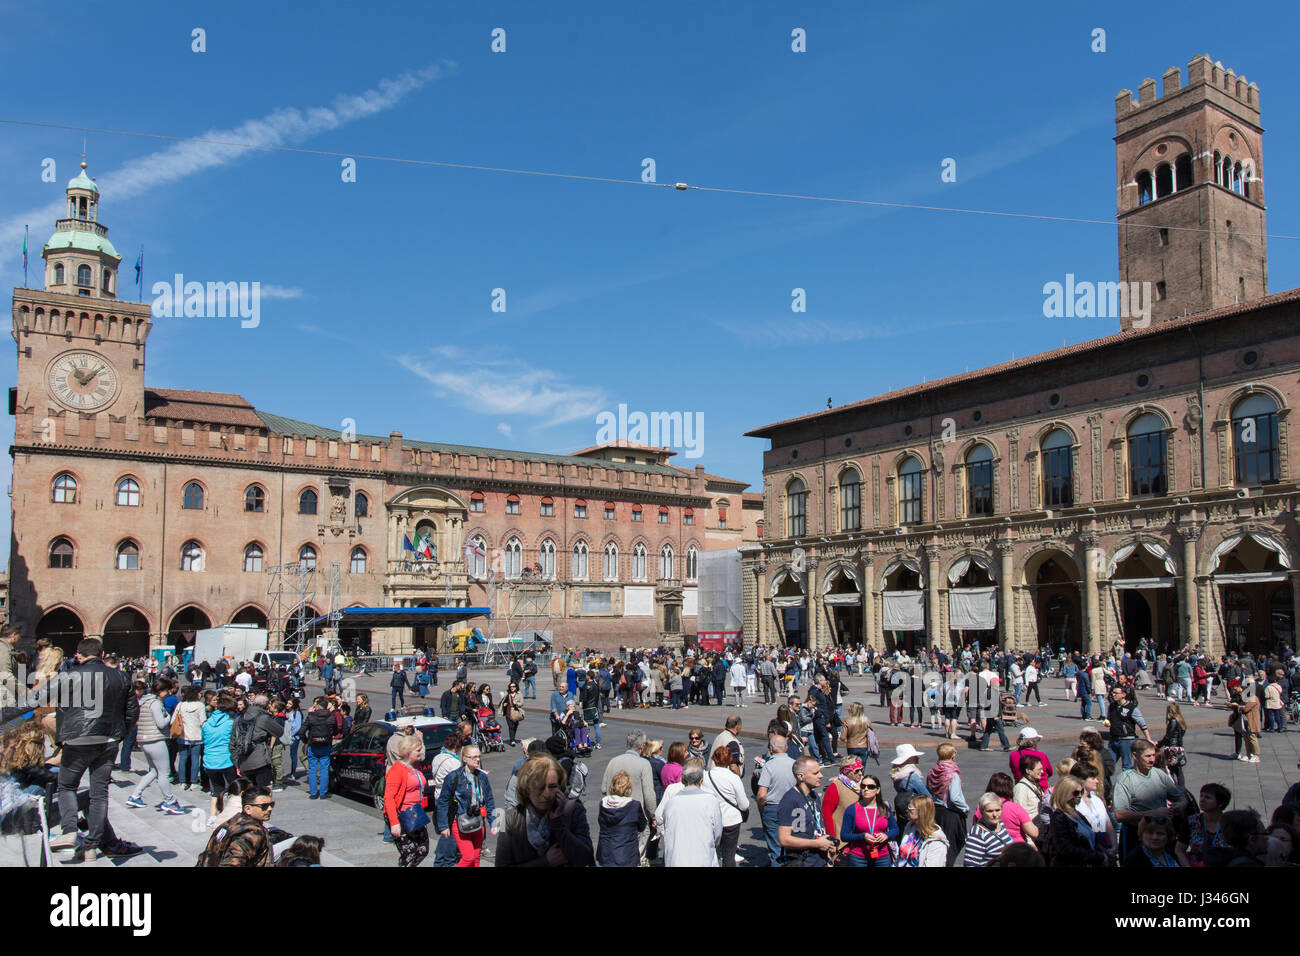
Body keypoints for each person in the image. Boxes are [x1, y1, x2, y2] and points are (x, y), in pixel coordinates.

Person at [44, 638, 139, 860]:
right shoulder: (120, 676)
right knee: (99, 793)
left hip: (76, 740)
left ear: (78, 655)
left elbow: (34, 700)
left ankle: (69, 831)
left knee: (67, 785)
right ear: (102, 653)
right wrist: (120, 734)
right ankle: (91, 847)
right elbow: (132, 711)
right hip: (107, 741)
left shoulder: (68, 676)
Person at [496, 754, 595, 867]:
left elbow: (586, 857)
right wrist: (545, 862)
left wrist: (559, 825)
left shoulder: (573, 810)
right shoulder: (511, 819)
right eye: (540, 787)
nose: (546, 794)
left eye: (552, 786)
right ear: (527, 788)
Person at [1113, 739, 1188, 858]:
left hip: (1162, 833)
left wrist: (1180, 806)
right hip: (1136, 836)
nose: (1152, 759)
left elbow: (1181, 797)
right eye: (1147, 756)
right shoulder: (1124, 780)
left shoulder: (1159, 774)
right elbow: (1119, 815)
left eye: (1153, 755)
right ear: (1135, 755)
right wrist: (1152, 813)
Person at [124, 680, 186, 814]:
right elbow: (161, 723)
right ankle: (170, 801)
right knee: (164, 772)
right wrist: (169, 717)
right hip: (155, 739)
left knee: (153, 771)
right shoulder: (156, 703)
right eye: (167, 690)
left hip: (144, 739)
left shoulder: (144, 701)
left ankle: (135, 796)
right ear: (162, 690)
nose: (168, 693)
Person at [601, 730, 658, 864]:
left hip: (612, 815)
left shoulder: (613, 762)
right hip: (635, 819)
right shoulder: (643, 764)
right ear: (642, 746)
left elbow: (604, 789)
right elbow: (649, 794)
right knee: (636, 855)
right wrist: (653, 815)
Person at [661, 758, 724, 866]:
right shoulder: (710, 801)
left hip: (677, 859)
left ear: (683, 780)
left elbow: (666, 828)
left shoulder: (672, 803)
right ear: (701, 780)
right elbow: (717, 834)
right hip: (703, 857)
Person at [196, 785, 276, 867]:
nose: (269, 809)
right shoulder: (251, 833)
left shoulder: (231, 823)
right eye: (264, 806)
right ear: (247, 809)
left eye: (271, 804)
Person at [777, 755, 835, 866]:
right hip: (804, 862)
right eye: (815, 773)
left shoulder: (814, 795)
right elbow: (784, 839)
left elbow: (819, 825)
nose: (821, 776)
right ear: (801, 776)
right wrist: (817, 843)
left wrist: (827, 854)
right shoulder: (790, 800)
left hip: (820, 860)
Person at [385, 733, 431, 867]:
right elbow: (389, 797)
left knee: (422, 849)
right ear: (407, 752)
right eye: (417, 750)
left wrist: (420, 739)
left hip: (415, 812)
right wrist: (394, 822)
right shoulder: (397, 769)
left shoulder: (414, 766)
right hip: (402, 815)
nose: (420, 752)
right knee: (409, 853)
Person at [755, 724, 797, 866]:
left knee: (775, 848)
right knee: (791, 845)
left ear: (771, 749)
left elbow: (761, 794)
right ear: (786, 748)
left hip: (773, 808)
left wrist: (762, 809)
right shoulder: (794, 764)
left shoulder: (768, 766)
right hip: (792, 808)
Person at [702, 745, 749, 867]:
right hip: (731, 820)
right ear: (729, 759)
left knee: (712, 854)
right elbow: (744, 804)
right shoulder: (733, 778)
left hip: (711, 820)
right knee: (729, 855)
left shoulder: (706, 776)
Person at [838, 771, 897, 866]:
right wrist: (862, 836)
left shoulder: (884, 807)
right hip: (859, 857)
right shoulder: (852, 809)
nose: (866, 789)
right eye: (863, 786)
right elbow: (844, 836)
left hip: (882, 856)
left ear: (878, 790)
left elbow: (895, 829)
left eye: (870, 787)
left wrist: (886, 835)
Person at [1047, 776, 1108, 866]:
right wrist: (1096, 857)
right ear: (1066, 793)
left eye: (1081, 792)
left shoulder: (1077, 814)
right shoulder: (1059, 818)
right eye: (1076, 793)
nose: (1080, 795)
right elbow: (1066, 849)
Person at [926, 742, 969, 866]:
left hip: (935, 812)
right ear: (953, 756)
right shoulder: (952, 773)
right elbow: (955, 797)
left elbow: (928, 790)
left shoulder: (932, 771)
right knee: (951, 848)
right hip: (950, 814)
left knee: (937, 845)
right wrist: (965, 808)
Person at [233, 693, 285, 788]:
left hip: (243, 760)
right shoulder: (264, 718)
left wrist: (237, 763)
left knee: (250, 791)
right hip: (260, 759)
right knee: (265, 789)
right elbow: (280, 731)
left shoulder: (239, 719)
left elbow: (232, 743)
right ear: (267, 706)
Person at [598, 770, 647, 867]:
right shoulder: (634, 805)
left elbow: (601, 822)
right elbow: (642, 826)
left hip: (606, 852)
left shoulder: (603, 804)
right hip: (627, 853)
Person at [1183, 782, 1231, 865]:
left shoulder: (1230, 824)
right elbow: (1179, 850)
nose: (1202, 800)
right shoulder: (1191, 821)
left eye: (1207, 797)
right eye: (1201, 796)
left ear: (1221, 803)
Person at [1106, 685, 1152, 771]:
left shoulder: (1131, 708)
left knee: (1126, 766)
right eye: (1113, 692)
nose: (1113, 694)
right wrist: (1108, 723)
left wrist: (1148, 739)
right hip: (1113, 739)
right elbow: (1109, 718)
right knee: (1107, 765)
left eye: (1116, 693)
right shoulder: (1112, 706)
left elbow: (1142, 724)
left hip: (1126, 740)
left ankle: (1128, 784)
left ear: (1123, 694)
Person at [299, 697, 337, 799]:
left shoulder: (311, 716)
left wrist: (306, 740)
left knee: (312, 769)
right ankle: (323, 792)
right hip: (326, 744)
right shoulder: (331, 717)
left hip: (313, 744)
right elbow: (337, 730)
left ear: (319, 706)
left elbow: (301, 731)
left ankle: (313, 792)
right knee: (325, 768)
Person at [897, 794, 949, 867]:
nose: (907, 810)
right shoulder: (910, 826)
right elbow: (900, 857)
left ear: (921, 812)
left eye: (910, 809)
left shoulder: (937, 842)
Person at [963, 793, 1014, 867]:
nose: (995, 815)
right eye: (990, 811)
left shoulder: (1000, 824)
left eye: (997, 810)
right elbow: (970, 864)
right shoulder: (977, 834)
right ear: (982, 812)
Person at [889, 743, 928, 820]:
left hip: (902, 809)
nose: (918, 757)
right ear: (909, 759)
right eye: (914, 756)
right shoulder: (913, 776)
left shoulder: (897, 774)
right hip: (914, 811)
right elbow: (927, 796)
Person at [1156, 702, 1188, 787]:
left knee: (1170, 770)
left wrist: (1158, 744)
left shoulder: (1173, 721)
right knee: (1178, 770)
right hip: (1179, 748)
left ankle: (1174, 787)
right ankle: (1182, 788)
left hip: (1171, 749)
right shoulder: (1181, 720)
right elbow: (1181, 733)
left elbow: (1168, 736)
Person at [501, 682, 525, 746]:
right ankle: (512, 740)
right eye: (510, 687)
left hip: (516, 712)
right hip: (508, 712)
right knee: (511, 726)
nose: (512, 688)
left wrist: (516, 704)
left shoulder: (519, 694)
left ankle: (513, 737)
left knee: (515, 726)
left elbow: (522, 703)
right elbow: (504, 702)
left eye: (513, 686)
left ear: (516, 687)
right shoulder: (507, 694)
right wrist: (504, 704)